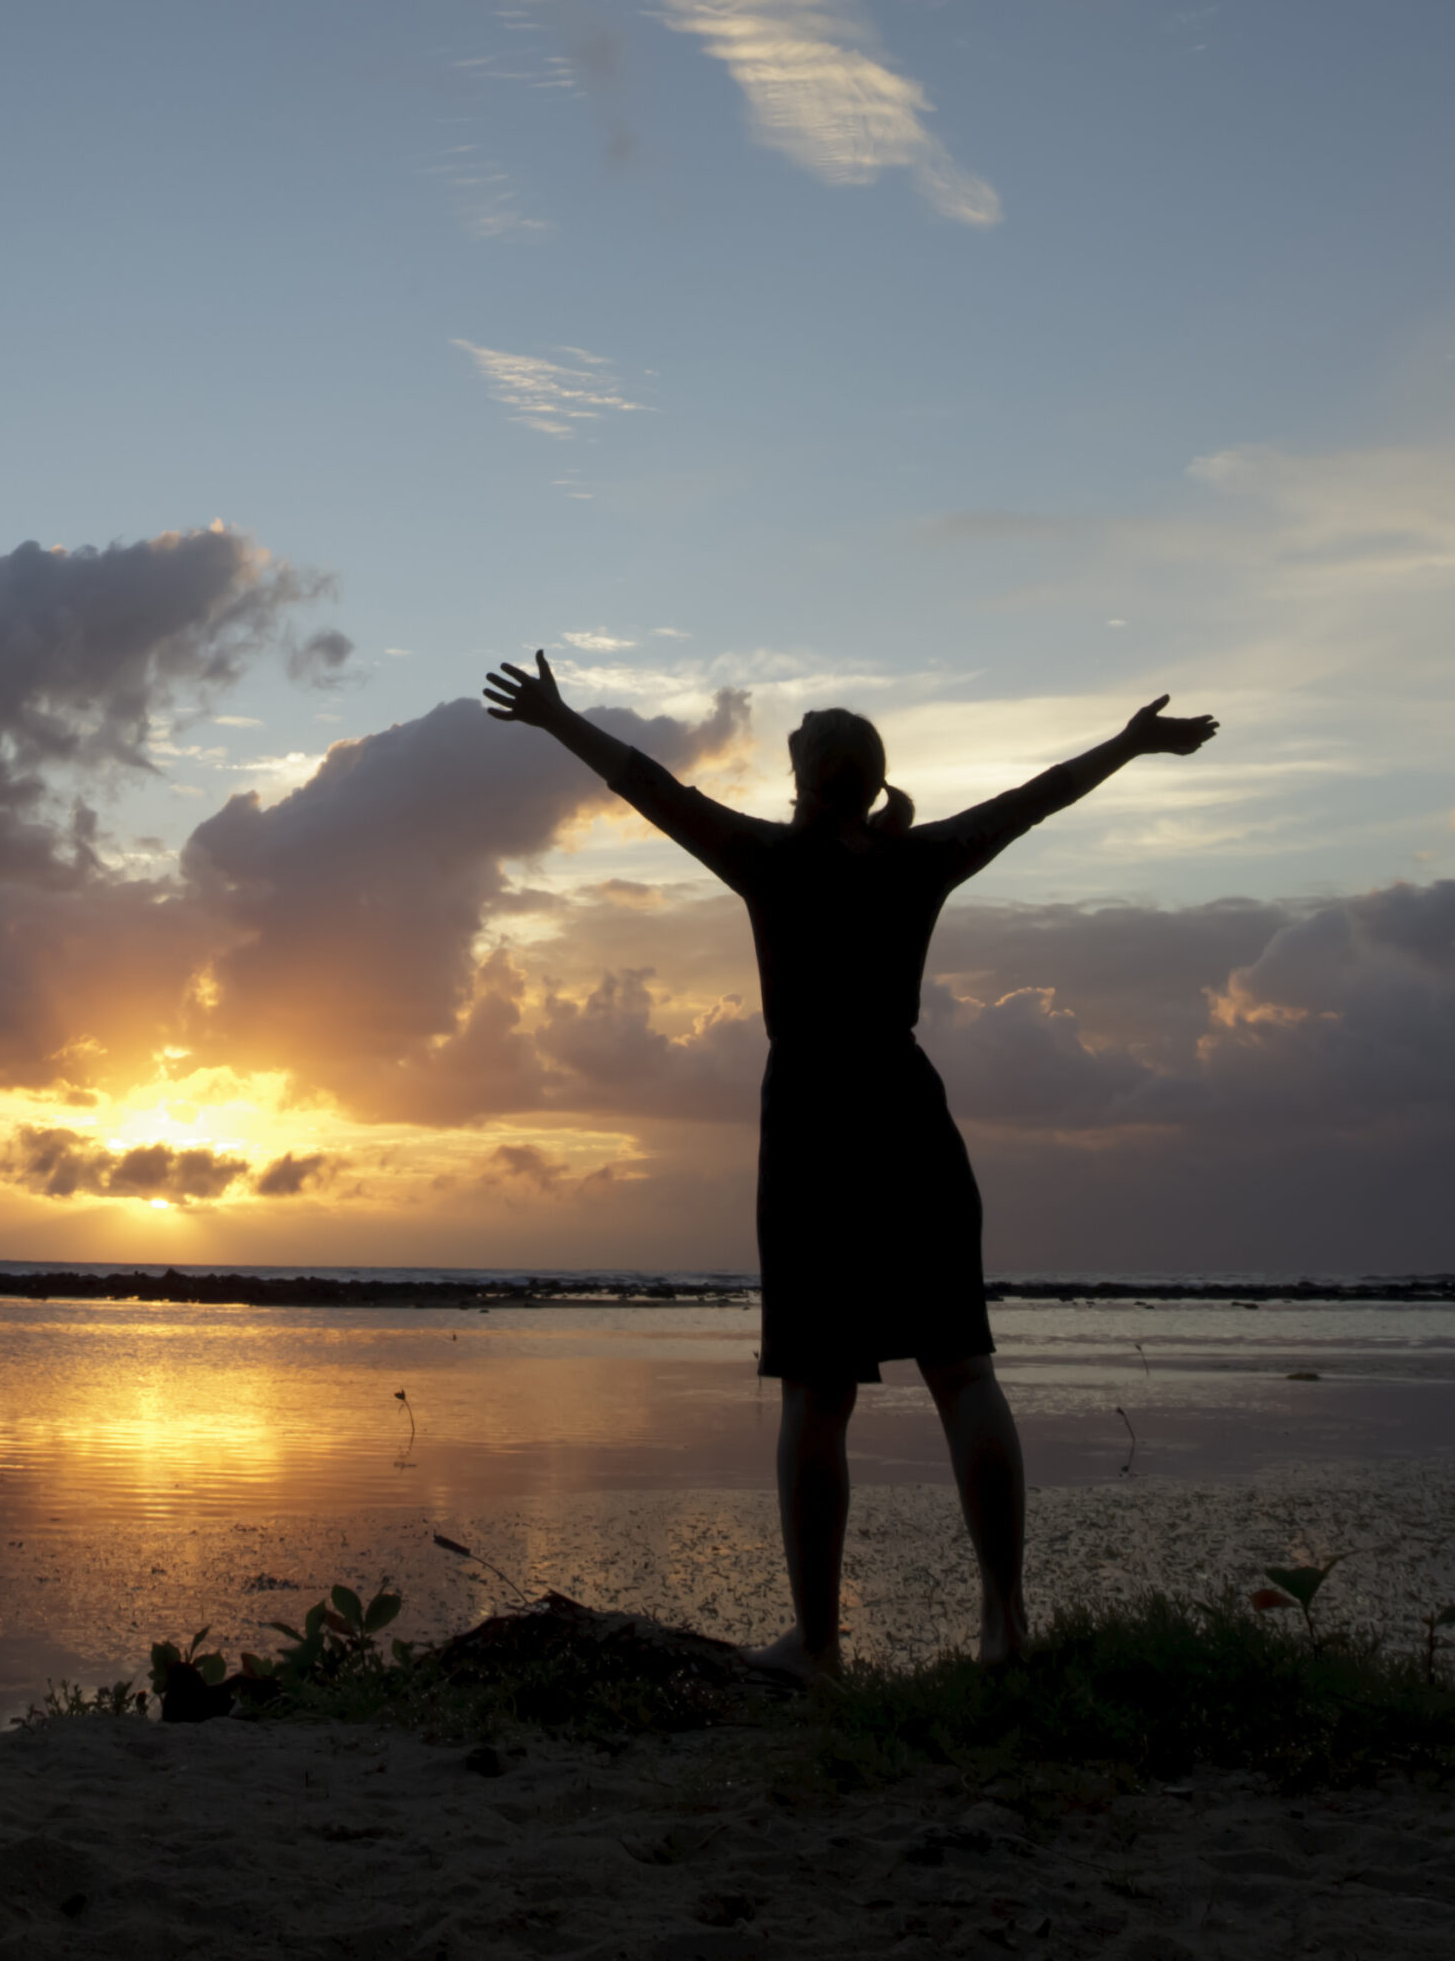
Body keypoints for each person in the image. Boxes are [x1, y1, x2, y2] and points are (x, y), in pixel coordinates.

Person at [483, 653, 1218, 1678]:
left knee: (816, 1393)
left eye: (789, 763)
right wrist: (1131, 744)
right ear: (867, 783)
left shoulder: (773, 861)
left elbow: (649, 785)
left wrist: (557, 718)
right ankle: (1005, 1626)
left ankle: (818, 1645)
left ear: (807, 776)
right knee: (961, 1372)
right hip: (908, 1110)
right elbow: (1032, 799)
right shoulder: (912, 861)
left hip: (816, 1123)